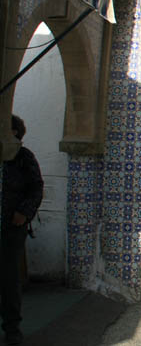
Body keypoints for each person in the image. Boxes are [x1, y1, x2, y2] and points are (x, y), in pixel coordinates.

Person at [1, 115, 43, 345]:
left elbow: (36, 187)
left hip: (10, 227)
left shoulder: (22, 158)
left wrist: (23, 213)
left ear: (14, 132)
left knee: (8, 278)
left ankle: (12, 328)